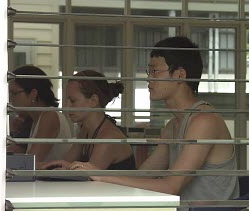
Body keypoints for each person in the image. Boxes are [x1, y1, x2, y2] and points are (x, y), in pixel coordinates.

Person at [71, 36, 239, 210]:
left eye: (155, 71)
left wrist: (102, 176)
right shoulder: (172, 126)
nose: (148, 79)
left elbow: (171, 187)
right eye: (148, 72)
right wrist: (89, 172)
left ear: (180, 74)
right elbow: (145, 175)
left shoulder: (204, 122)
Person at [41, 70, 136, 170]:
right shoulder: (85, 132)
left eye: (73, 101)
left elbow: (88, 176)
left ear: (93, 101)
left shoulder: (108, 138)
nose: (67, 106)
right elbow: (66, 164)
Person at [8, 65, 72, 164]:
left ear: (33, 93)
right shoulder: (35, 119)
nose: (11, 99)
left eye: (14, 93)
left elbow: (30, 163)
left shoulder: (50, 116)